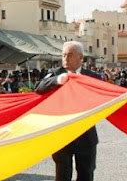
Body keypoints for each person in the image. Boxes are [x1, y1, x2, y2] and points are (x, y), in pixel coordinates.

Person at [35, 41, 100, 181]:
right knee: (62, 173)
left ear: (81, 57)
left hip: (85, 134)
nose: (66, 58)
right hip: (62, 132)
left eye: (70, 55)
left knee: (86, 173)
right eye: (64, 55)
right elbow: (38, 87)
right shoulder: (55, 73)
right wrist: (58, 80)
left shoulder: (93, 77)